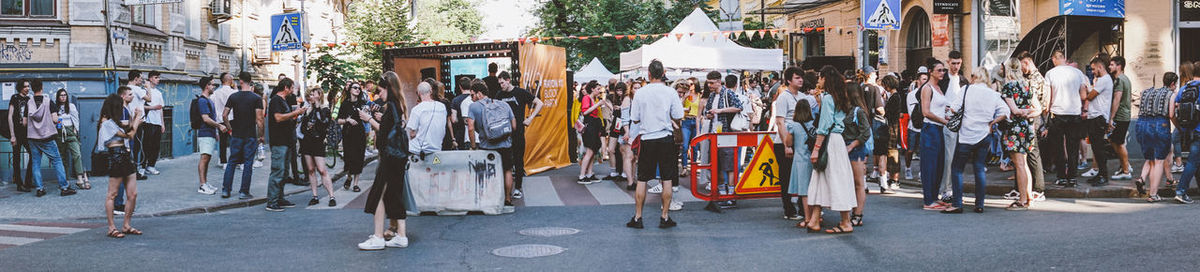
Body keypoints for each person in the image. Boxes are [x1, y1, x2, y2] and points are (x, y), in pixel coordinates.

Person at [626, 59, 684, 229]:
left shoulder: (640, 93)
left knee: (643, 178)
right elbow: (678, 114)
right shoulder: (670, 92)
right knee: (667, 178)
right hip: (665, 138)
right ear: (663, 73)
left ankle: (638, 217)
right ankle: (664, 217)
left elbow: (635, 118)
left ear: (649, 74)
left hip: (647, 138)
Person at [358, 71, 412, 250]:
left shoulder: (392, 106)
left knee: (379, 194)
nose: (378, 94)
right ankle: (401, 235)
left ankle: (378, 237)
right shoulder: (399, 105)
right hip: (398, 156)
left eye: (380, 91)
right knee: (394, 194)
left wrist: (369, 119)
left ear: (388, 88)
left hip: (389, 156)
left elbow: (383, 129)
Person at [945, 68, 1009, 213]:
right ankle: (979, 204)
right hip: (984, 135)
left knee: (957, 169)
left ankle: (957, 203)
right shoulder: (994, 94)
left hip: (966, 135)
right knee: (979, 169)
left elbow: (954, 109)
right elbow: (1006, 112)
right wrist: (992, 123)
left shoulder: (966, 90)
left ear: (974, 77)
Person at [805, 66, 858, 234]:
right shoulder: (840, 96)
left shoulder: (828, 98)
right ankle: (815, 220)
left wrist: (816, 149)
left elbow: (824, 125)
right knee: (826, 178)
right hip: (838, 141)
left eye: (820, 77)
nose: (818, 81)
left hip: (829, 141)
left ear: (825, 78)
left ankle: (845, 221)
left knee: (832, 178)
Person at [466, 79, 518, 213]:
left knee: (487, 172)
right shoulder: (503, 105)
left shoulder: (474, 107)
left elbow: (470, 127)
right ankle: (507, 199)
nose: (471, 98)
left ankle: (490, 200)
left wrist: (473, 145)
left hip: (486, 146)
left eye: (472, 95)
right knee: (507, 170)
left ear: (479, 94)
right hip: (505, 145)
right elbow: (513, 126)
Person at [1000, 58, 1042, 211]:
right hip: (1028, 127)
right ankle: (1028, 196)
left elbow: (1014, 110)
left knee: (1019, 165)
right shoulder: (1028, 85)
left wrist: (1021, 112)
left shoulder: (1008, 87)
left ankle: (1023, 199)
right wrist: (1029, 113)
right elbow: (1038, 108)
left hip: (1015, 129)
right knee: (1024, 164)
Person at [1045, 50, 1091, 187]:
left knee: (1058, 147)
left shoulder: (1050, 73)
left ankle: (1061, 177)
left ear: (1054, 59)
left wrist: (1046, 111)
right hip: (1074, 113)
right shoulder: (1077, 73)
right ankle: (1072, 177)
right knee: (1073, 147)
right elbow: (1083, 95)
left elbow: (1048, 96)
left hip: (1057, 112)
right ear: (1064, 59)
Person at [99, 89, 141, 238]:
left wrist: (134, 117)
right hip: (116, 156)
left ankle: (126, 225)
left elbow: (127, 129)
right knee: (112, 194)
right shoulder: (106, 123)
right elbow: (129, 135)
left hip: (125, 155)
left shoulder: (115, 122)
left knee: (133, 193)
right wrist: (137, 118)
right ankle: (111, 227)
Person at [495, 71, 544, 199]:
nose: (501, 85)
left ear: (508, 80)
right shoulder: (499, 95)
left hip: (518, 133)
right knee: (505, 161)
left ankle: (518, 188)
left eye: (502, 83)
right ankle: (505, 188)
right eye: (499, 83)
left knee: (518, 160)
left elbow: (539, 103)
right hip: (504, 134)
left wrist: (530, 118)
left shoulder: (520, 92)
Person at [23, 80, 74, 197]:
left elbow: (25, 123)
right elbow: (55, 119)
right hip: (47, 137)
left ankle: (39, 189)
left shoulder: (29, 103)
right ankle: (64, 187)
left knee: (36, 163)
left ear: (32, 88)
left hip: (33, 138)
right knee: (57, 160)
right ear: (41, 87)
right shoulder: (48, 102)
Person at [702, 71, 744, 208]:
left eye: (712, 83)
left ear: (719, 82)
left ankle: (731, 195)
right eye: (708, 82)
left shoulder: (728, 93)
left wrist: (721, 111)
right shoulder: (712, 96)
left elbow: (738, 107)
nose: (709, 85)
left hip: (726, 134)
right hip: (714, 133)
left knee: (729, 165)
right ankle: (722, 193)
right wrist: (708, 115)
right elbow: (707, 110)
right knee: (716, 165)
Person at [221, 72, 265, 200]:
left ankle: (226, 190)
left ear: (240, 81)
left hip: (236, 134)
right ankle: (243, 192)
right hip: (250, 135)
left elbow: (224, 115)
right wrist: (261, 136)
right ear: (250, 81)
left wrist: (230, 129)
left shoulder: (233, 97)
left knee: (232, 162)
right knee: (248, 163)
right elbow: (259, 119)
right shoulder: (256, 98)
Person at [265, 77, 308, 211]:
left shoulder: (284, 100)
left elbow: (286, 117)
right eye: (291, 88)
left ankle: (280, 198)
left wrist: (296, 116)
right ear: (286, 88)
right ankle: (272, 201)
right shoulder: (276, 101)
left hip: (287, 140)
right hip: (279, 141)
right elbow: (278, 118)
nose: (293, 91)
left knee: (284, 172)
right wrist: (295, 113)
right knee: (278, 170)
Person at [774, 67, 810, 220]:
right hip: (784, 141)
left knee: (803, 175)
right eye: (797, 78)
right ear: (789, 80)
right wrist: (786, 145)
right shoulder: (783, 97)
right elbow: (780, 122)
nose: (800, 80)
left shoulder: (803, 96)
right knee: (786, 175)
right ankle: (788, 209)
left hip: (801, 141)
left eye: (801, 77)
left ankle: (804, 208)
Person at [1135, 72, 1177, 202]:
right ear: (1172, 84)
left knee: (1151, 159)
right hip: (1159, 125)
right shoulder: (1171, 94)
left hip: (1141, 124)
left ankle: (1149, 188)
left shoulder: (1146, 92)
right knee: (1159, 161)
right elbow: (1171, 114)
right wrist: (1180, 127)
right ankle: (1153, 194)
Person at [919, 59, 951, 211]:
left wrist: (947, 117)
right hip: (930, 128)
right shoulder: (927, 88)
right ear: (930, 72)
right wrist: (943, 121)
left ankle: (934, 197)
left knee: (939, 164)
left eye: (943, 70)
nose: (942, 72)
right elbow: (926, 112)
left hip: (938, 128)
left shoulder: (938, 87)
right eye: (939, 70)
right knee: (929, 165)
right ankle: (928, 200)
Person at [1078, 56, 1115, 186]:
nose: (1093, 71)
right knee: (1096, 148)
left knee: (1099, 149)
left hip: (1098, 117)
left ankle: (1103, 175)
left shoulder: (1104, 80)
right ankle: (1100, 174)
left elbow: (1089, 96)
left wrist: (1085, 88)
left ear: (1100, 67)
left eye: (1094, 69)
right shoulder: (1102, 80)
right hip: (1096, 117)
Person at [843, 79, 873, 224]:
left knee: (858, 182)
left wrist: (852, 145)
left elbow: (865, 133)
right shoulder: (844, 109)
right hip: (845, 148)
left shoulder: (858, 111)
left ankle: (858, 214)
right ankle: (851, 212)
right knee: (848, 182)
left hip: (856, 149)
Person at [300, 87, 336, 207]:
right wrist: (307, 125)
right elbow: (302, 128)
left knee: (322, 170)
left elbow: (324, 124)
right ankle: (314, 196)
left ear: (319, 95)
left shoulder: (324, 109)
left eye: (313, 94)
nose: (310, 96)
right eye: (310, 94)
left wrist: (316, 108)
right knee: (310, 169)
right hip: (307, 142)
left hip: (318, 142)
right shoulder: (307, 109)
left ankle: (331, 196)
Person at [786, 95, 816, 228]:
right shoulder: (814, 123)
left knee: (804, 191)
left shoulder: (793, 125)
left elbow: (788, 142)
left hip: (800, 159)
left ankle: (808, 218)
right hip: (814, 159)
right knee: (815, 189)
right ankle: (816, 216)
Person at [194, 77, 227, 195]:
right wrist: (219, 126)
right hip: (205, 133)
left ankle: (205, 183)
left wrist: (216, 132)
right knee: (204, 158)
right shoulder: (203, 101)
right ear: (207, 86)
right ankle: (202, 185)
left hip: (210, 133)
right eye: (212, 85)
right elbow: (206, 118)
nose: (214, 87)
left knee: (207, 159)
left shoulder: (209, 100)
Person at [1174, 62, 1200, 204]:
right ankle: (1181, 191)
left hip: (1188, 130)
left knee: (1195, 161)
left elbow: (1175, 106)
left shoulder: (1184, 88)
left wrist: (1180, 128)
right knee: (1192, 162)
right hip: (1199, 130)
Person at [53, 89, 89, 190]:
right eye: (61, 95)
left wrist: (75, 129)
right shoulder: (55, 107)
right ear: (58, 97)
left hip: (70, 132)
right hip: (60, 133)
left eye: (64, 95)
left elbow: (76, 118)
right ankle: (66, 179)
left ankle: (79, 177)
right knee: (62, 157)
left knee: (77, 154)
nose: (63, 97)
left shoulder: (71, 106)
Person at [339, 82, 369, 192]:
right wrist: (347, 120)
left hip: (359, 133)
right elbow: (338, 120)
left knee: (359, 158)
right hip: (348, 134)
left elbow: (367, 116)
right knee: (349, 158)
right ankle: (349, 177)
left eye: (359, 88)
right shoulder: (345, 104)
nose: (357, 90)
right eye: (355, 88)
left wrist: (365, 113)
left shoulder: (362, 103)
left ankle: (356, 184)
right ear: (350, 90)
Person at [1107, 56, 1134, 180]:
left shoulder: (1119, 80)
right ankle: (1124, 165)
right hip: (1124, 115)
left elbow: (1117, 100)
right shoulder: (1125, 79)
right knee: (1114, 140)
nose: (1109, 67)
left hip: (1121, 116)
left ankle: (1126, 170)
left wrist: (1111, 118)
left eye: (1112, 65)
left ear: (1119, 66)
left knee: (1119, 143)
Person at [577, 81, 606, 184]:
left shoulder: (594, 99)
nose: (599, 91)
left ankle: (589, 173)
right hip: (590, 127)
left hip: (594, 127)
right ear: (592, 89)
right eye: (598, 89)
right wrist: (597, 104)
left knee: (593, 151)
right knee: (589, 151)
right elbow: (585, 112)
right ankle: (582, 176)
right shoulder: (587, 98)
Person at [409, 81, 448, 156]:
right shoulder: (442, 107)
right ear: (431, 91)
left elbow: (412, 134)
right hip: (437, 148)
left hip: (419, 149)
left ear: (418, 93)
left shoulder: (417, 109)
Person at [7, 79, 32, 192]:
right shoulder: (14, 98)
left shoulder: (29, 99)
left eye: (28, 86)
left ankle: (28, 181)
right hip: (16, 133)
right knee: (16, 158)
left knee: (33, 155)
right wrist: (12, 135)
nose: (28, 88)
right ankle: (19, 183)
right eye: (25, 86)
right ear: (21, 87)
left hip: (27, 133)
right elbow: (9, 117)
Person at [140, 71, 166, 176]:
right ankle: (142, 166)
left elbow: (161, 109)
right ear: (150, 78)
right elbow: (141, 106)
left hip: (157, 122)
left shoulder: (159, 93)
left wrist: (163, 123)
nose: (158, 79)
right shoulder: (144, 91)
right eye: (156, 77)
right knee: (147, 144)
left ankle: (151, 165)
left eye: (158, 77)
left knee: (156, 145)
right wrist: (153, 107)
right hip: (148, 121)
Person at [211, 73, 237, 167]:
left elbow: (212, 104)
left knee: (222, 142)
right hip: (232, 118)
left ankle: (223, 161)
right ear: (230, 80)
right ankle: (236, 160)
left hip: (220, 119)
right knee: (235, 140)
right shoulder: (234, 92)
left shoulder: (216, 92)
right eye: (232, 79)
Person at [451, 77, 474, 150]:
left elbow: (454, 120)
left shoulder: (455, 100)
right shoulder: (474, 98)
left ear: (460, 87)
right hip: (474, 132)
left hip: (460, 132)